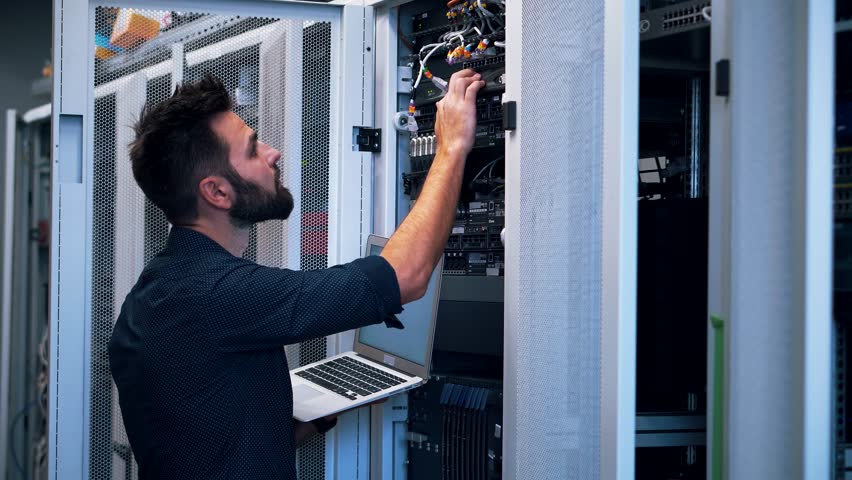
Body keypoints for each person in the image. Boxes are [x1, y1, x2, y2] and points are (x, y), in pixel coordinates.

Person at [108, 69, 485, 478]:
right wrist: (451, 147)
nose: (273, 153)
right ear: (217, 192)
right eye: (253, 150)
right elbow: (407, 275)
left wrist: (311, 418)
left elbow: (206, 448)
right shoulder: (215, 292)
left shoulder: (156, 289)